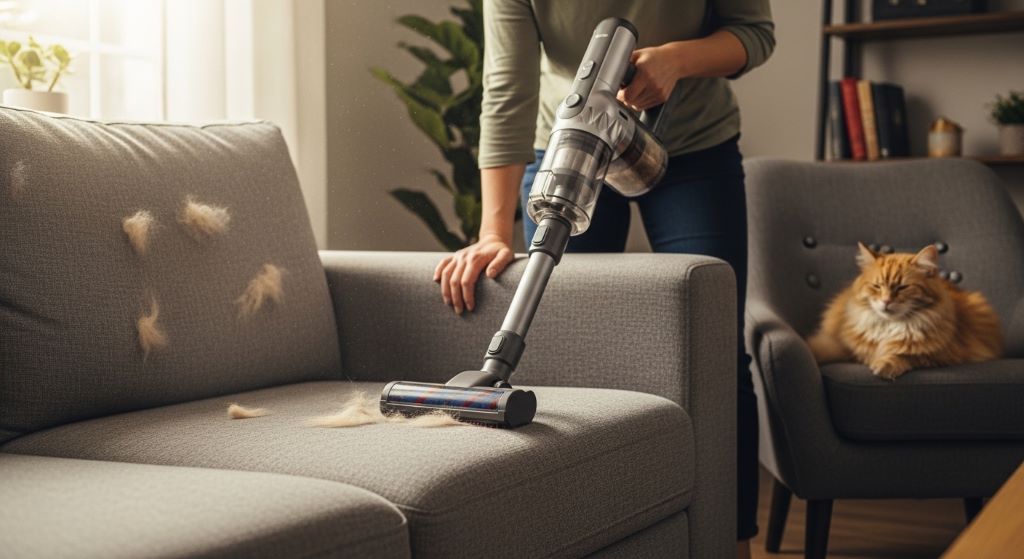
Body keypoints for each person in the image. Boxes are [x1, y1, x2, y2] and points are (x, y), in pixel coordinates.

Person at [433, 1, 774, 556]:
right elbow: (507, 87)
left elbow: (754, 34)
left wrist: (676, 61)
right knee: (572, 354)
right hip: (572, 142)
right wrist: (494, 229)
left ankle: (728, 544)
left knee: (717, 356)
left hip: (694, 150)